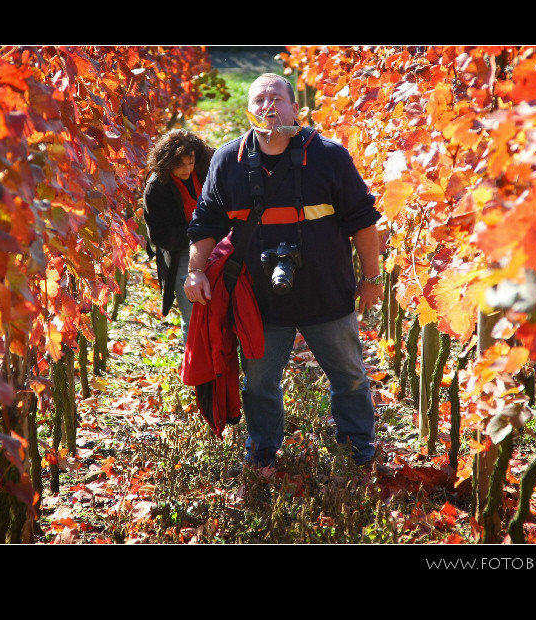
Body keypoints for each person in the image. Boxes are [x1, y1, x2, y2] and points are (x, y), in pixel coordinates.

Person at [183, 73, 385, 471]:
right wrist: (194, 271)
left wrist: (371, 278)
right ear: (248, 110)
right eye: (259, 100)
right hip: (259, 300)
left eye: (277, 98)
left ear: (296, 108)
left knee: (350, 378)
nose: (268, 106)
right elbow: (204, 224)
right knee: (259, 384)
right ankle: (262, 453)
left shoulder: (329, 156)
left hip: (327, 293)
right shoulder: (229, 160)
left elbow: (364, 221)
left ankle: (358, 451)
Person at [142, 129, 215, 343]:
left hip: (218, 243)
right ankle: (196, 370)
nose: (186, 169)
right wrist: (197, 233)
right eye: (179, 164)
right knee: (193, 313)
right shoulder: (156, 188)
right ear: (166, 162)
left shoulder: (206, 169)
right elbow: (160, 235)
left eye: (190, 163)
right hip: (183, 251)